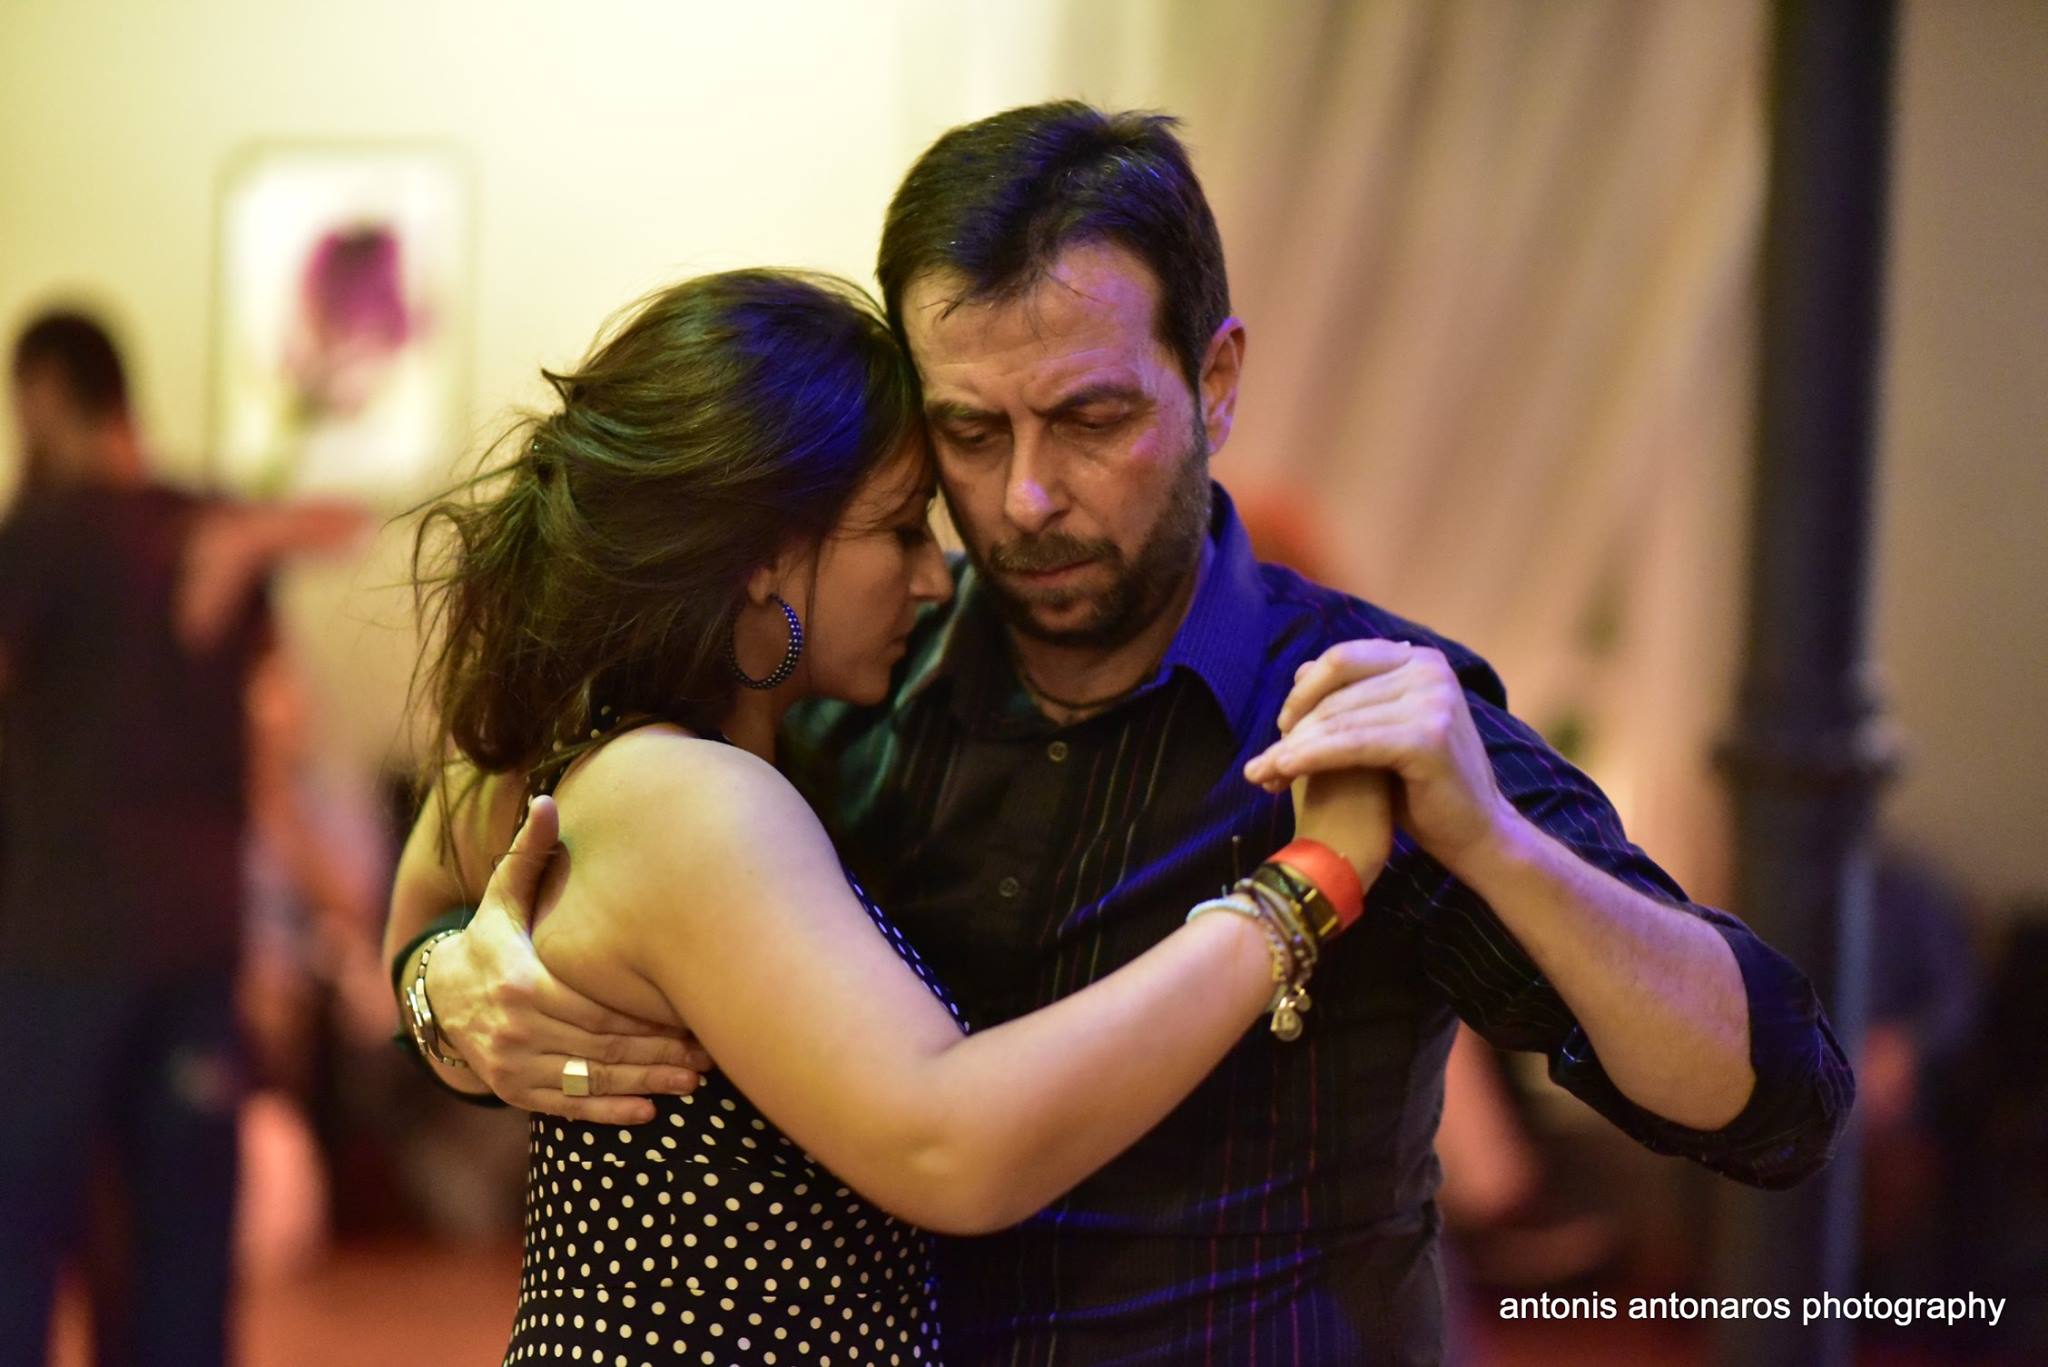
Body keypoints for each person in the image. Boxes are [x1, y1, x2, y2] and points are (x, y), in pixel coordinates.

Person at [401, 104, 1854, 1364]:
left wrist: (1497, 844)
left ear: (1214, 380)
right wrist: (447, 986)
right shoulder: (848, 679)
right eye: (971, 434)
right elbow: (494, 810)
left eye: (1090, 418)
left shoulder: (1355, 707)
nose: (1025, 497)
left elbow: (1775, 1097)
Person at [387, 269, 1393, 1364]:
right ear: (766, 556)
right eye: (901, 529)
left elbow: (428, 888)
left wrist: (438, 986)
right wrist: (1307, 885)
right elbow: (950, 1147)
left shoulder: (648, 760)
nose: (934, 577)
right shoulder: (683, 796)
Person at [0, 309, 364, 1365]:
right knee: (182, 1243)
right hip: (195, 936)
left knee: (25, 1226)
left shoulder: (44, 534)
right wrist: (245, 541)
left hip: (63, 944)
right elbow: (338, 536)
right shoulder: (210, 523)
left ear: (46, 394)